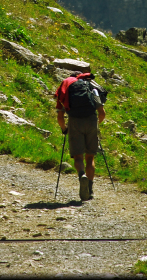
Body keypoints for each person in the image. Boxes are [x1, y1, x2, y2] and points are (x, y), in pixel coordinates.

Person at [55, 72, 106, 201]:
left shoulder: (66, 90)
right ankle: (90, 189)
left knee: (78, 156)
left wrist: (65, 129)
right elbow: (102, 113)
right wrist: (96, 125)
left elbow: (60, 117)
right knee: (90, 157)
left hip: (74, 122)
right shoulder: (91, 88)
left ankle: (81, 175)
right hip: (91, 121)